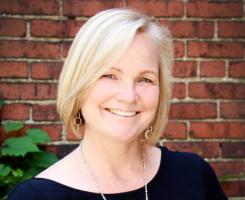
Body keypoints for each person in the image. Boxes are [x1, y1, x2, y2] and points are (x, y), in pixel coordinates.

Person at [8, 8, 227, 200]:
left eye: (145, 79)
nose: (129, 96)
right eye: (110, 75)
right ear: (79, 83)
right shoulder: (35, 197)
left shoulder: (194, 175)